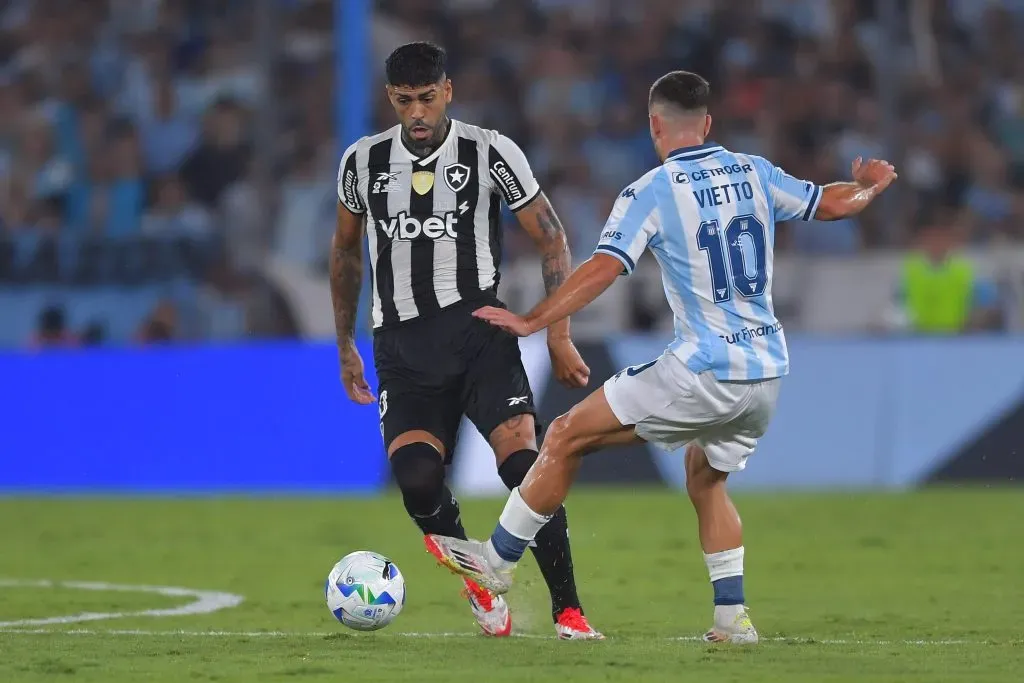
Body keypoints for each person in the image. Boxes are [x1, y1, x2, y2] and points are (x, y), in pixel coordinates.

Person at [425, 71, 898, 644]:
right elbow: (830, 203)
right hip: (767, 373)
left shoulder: (651, 189)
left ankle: (497, 562)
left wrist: (534, 319)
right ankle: (733, 619)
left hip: (704, 368)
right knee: (706, 477)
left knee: (567, 434)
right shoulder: (754, 171)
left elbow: (605, 266)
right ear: (708, 123)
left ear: (654, 125)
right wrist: (871, 186)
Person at [330, 42, 602, 640]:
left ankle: (569, 610)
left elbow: (552, 238)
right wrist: (345, 342)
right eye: (405, 102)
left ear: (448, 91)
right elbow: (347, 250)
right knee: (419, 479)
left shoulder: (489, 152)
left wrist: (558, 333)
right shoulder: (362, 162)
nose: (418, 114)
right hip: (402, 349)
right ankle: (480, 587)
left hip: (480, 336)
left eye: (428, 99)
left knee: (525, 467)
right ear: (390, 100)